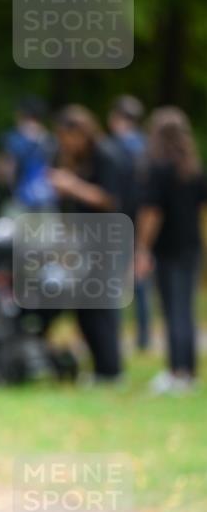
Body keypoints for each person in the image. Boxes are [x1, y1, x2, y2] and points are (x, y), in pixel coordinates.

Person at [45, 105, 127, 381]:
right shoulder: (68, 158)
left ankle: (111, 369)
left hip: (105, 239)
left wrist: (72, 185)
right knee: (83, 306)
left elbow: (111, 199)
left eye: (68, 137)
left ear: (82, 133)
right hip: (79, 241)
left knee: (101, 306)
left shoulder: (106, 156)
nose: (65, 143)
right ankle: (99, 368)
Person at [135, 107, 206, 394]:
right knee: (186, 310)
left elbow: (152, 212)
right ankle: (187, 371)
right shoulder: (193, 169)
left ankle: (176, 372)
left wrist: (142, 247)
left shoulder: (157, 168)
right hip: (191, 246)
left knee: (172, 310)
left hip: (167, 249)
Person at [107, 94, 150, 349]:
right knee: (140, 280)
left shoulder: (113, 148)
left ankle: (113, 335)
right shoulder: (147, 146)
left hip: (118, 219)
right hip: (141, 220)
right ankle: (143, 337)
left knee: (112, 280)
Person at [0, 95, 57, 213]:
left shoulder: (13, 138)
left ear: (20, 114)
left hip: (19, 204)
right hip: (47, 204)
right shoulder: (52, 139)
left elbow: (3, 174)